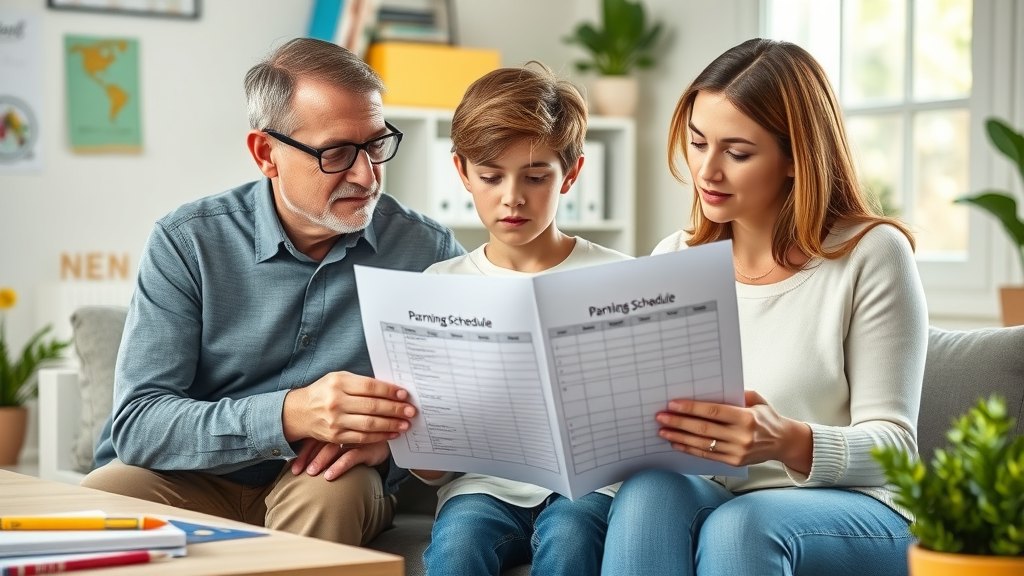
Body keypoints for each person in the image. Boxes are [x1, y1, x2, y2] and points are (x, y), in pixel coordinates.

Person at [81, 37, 464, 546]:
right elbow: (139, 425)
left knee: (334, 495)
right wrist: (290, 413)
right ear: (267, 154)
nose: (366, 174)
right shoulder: (187, 241)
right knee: (98, 502)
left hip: (327, 480)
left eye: (375, 144)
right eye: (337, 153)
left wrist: (391, 449)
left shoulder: (427, 251)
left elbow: (468, 404)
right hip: (189, 475)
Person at [601, 38, 929, 576]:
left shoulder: (871, 254)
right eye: (697, 142)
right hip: (722, 498)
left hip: (861, 511)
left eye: (737, 152)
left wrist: (786, 439)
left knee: (742, 525)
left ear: (796, 159)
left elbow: (895, 448)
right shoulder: (675, 257)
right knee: (649, 492)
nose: (707, 171)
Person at [411, 62, 632, 576]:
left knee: (573, 534)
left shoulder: (619, 275)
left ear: (572, 174)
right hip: (481, 487)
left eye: (536, 177)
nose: (513, 197)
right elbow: (429, 469)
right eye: (491, 176)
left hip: (588, 488)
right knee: (459, 545)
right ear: (462, 172)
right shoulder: (438, 286)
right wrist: (418, 434)